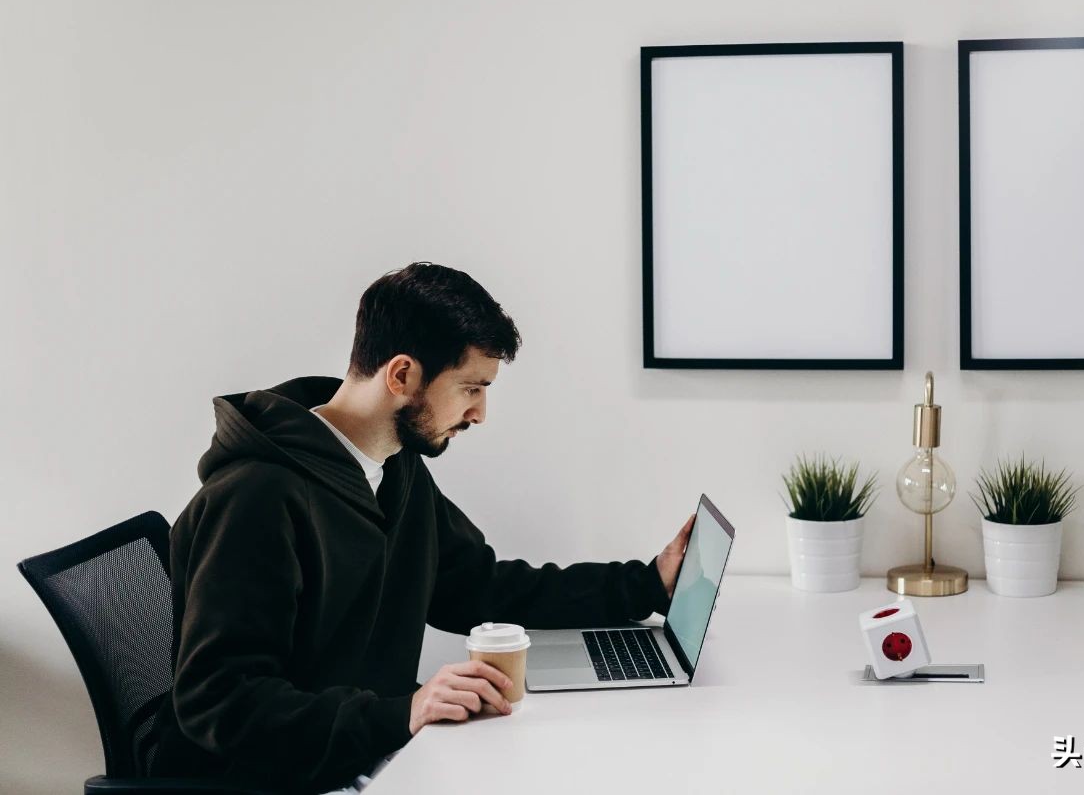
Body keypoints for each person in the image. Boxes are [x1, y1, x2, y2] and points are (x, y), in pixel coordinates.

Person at [149, 263, 694, 794]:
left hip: (366, 751)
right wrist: (401, 714)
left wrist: (646, 584)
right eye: (470, 388)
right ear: (403, 375)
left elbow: (477, 586)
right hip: (283, 777)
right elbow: (220, 700)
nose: (480, 413)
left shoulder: (394, 468)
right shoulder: (256, 497)